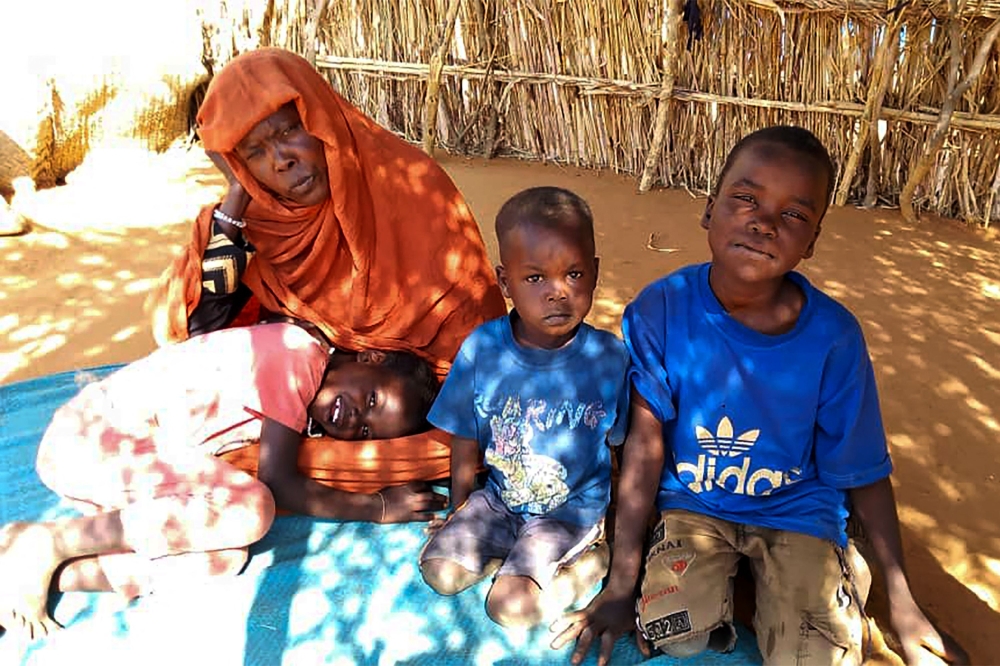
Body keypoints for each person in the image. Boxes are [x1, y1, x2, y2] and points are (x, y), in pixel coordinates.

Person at [551, 126, 969, 666]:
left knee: (814, 657)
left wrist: (905, 605)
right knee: (672, 632)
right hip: (695, 506)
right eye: (745, 198)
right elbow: (644, 449)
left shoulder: (834, 337)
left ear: (813, 240)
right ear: (709, 209)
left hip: (799, 510)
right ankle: (757, 584)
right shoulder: (659, 310)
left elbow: (863, 467)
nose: (765, 223)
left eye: (794, 215)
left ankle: (835, 570)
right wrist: (620, 586)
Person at [0, 321, 446, 641]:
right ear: (368, 357)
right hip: (95, 435)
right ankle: (51, 541)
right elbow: (280, 481)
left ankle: (58, 571)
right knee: (252, 508)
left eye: (367, 431)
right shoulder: (298, 352)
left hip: (121, 468)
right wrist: (378, 507)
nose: (355, 419)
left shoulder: (305, 401)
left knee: (224, 556)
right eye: (371, 398)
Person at [149, 47, 505, 382]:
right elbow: (200, 329)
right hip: (312, 403)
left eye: (289, 130)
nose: (280, 160)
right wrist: (239, 193)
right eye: (254, 152)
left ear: (321, 116)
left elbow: (472, 334)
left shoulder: (410, 185)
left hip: (411, 399)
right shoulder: (258, 223)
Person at [419, 187, 629, 628]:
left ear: (594, 272)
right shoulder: (483, 348)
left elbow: (623, 450)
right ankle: (518, 561)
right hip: (499, 501)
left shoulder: (609, 358)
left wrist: (617, 526)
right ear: (504, 281)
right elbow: (464, 434)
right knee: (439, 571)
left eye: (573, 274)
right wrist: (460, 507)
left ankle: (590, 559)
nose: (557, 292)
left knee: (509, 610)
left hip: (569, 511)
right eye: (535, 278)